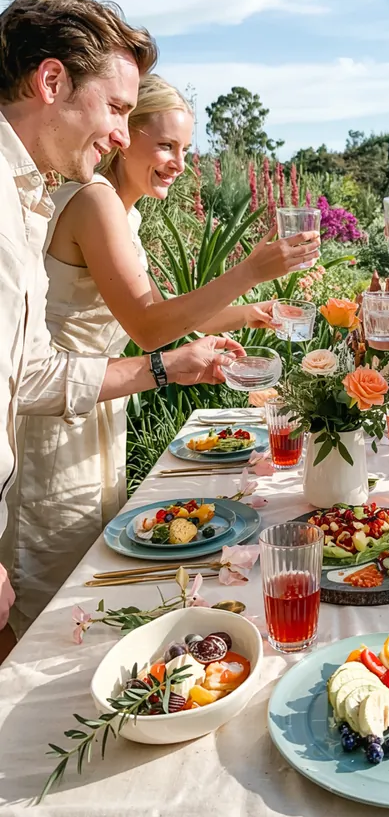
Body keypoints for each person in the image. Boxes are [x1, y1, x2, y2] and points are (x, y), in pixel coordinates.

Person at [6, 73, 318, 633]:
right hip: (60, 421)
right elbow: (151, 330)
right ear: (127, 137)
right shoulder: (95, 201)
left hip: (95, 409)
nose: (178, 163)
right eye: (166, 145)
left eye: (185, 149)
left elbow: (158, 309)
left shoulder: (120, 210)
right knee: (53, 603)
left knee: (86, 588)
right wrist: (250, 271)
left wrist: (249, 310)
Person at [0, 0, 243, 648]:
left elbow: (28, 372)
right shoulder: (62, 200)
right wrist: (249, 273)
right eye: (115, 108)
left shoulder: (29, 198)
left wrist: (171, 365)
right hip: (56, 453)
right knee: (51, 633)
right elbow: (150, 323)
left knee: (57, 628)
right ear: (51, 81)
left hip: (75, 425)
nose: (116, 134)